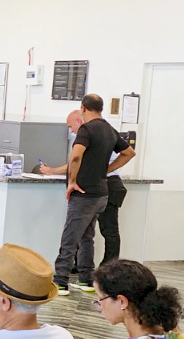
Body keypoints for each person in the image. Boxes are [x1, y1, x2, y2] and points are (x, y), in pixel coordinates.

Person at [50, 94, 135, 295]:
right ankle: (86, 279)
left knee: (70, 238)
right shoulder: (109, 130)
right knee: (87, 237)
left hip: (84, 193)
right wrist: (105, 170)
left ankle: (60, 282)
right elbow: (129, 152)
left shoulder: (86, 129)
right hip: (101, 194)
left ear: (83, 108)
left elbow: (76, 156)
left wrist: (72, 181)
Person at [41, 110, 129, 265]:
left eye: (70, 126)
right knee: (91, 233)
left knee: (102, 231)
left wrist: (51, 171)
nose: (71, 131)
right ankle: (91, 269)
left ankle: (107, 268)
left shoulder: (90, 133)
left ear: (79, 121)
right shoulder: (106, 131)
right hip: (105, 184)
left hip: (106, 185)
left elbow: (77, 160)